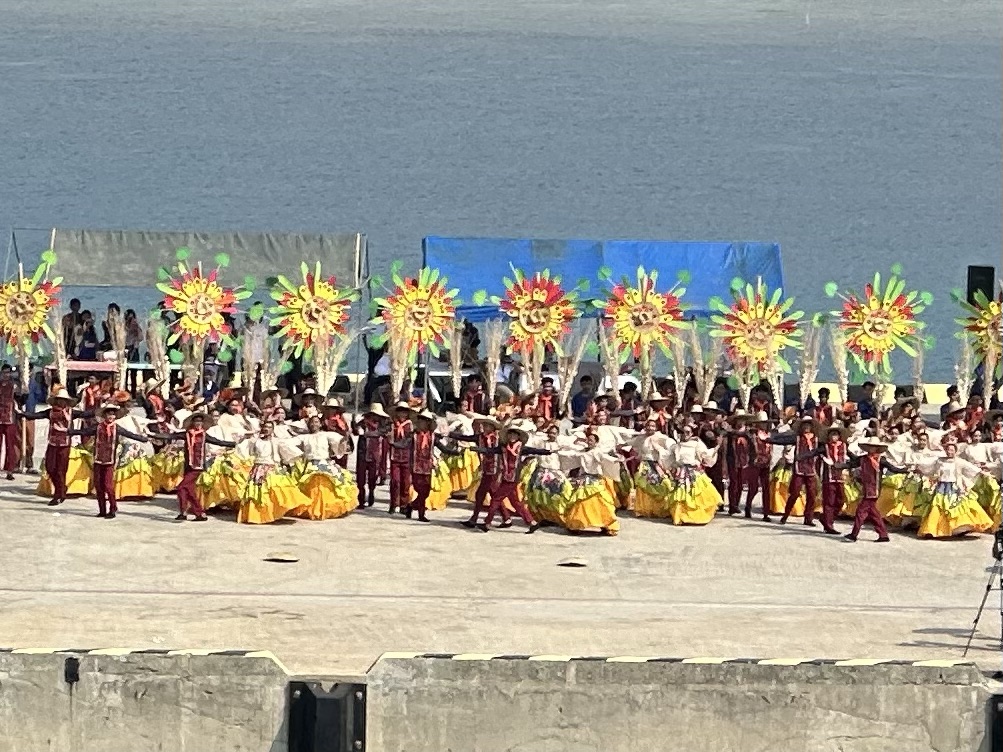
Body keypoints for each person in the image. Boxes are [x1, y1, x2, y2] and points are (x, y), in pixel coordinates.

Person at [67, 403, 151, 519]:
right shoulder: (98, 427)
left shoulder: (117, 428)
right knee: (98, 486)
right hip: (98, 460)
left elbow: (129, 434)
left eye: (113, 414)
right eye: (109, 414)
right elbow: (85, 432)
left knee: (108, 486)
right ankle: (102, 510)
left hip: (109, 461)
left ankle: (112, 508)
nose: (111, 416)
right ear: (105, 415)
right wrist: (71, 432)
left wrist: (143, 439)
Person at [150, 411, 236, 521]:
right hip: (188, 466)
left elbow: (218, 442)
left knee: (181, 487)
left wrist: (234, 444)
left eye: (200, 421)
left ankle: (191, 512)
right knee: (188, 490)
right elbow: (170, 436)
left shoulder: (204, 435)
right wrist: (152, 435)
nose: (198, 423)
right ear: (192, 423)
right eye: (196, 421)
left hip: (198, 466)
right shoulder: (186, 434)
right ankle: (194, 513)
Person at [21, 387, 93, 505]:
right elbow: (36, 415)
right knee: (50, 468)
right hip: (52, 443)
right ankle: (62, 488)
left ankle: (58, 495)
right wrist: (22, 414)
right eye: (59, 399)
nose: (61, 402)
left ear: (67, 402)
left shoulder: (71, 412)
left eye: (63, 400)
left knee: (60, 470)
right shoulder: (50, 412)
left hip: (65, 444)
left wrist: (101, 411)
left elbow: (85, 414)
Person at [472, 426, 549, 533]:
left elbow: (535, 450)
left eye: (514, 435)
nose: (512, 436)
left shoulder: (521, 448)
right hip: (505, 477)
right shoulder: (503, 447)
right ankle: (532, 522)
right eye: (510, 434)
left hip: (512, 479)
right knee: (515, 502)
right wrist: (477, 449)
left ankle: (487, 523)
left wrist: (547, 451)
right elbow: (491, 450)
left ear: (518, 437)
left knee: (496, 499)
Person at [236, 419, 309, 524]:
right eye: (265, 427)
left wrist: (297, 456)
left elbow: (288, 450)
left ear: (273, 430)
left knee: (275, 490)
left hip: (272, 468)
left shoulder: (277, 441)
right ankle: (258, 514)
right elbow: (246, 450)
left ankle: (272, 512)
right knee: (258, 492)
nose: (267, 429)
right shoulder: (255, 441)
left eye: (269, 427)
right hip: (258, 469)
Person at [288, 415, 358, 520]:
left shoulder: (327, 435)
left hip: (325, 463)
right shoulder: (303, 437)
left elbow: (340, 441)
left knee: (327, 484)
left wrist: (345, 437)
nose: (314, 424)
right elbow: (288, 444)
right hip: (310, 465)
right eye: (311, 422)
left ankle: (326, 508)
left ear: (320, 424)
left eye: (316, 422)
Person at [837, 440, 907, 542]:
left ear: (877, 448)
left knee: (860, 512)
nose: (871, 449)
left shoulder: (881, 460)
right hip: (866, 489)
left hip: (874, 490)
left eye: (873, 447)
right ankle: (883, 535)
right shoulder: (863, 458)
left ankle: (854, 534)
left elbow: (893, 469)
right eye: (869, 446)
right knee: (874, 514)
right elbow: (852, 463)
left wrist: (905, 470)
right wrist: (840, 464)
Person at [451, 415, 506, 528]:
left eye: (487, 425)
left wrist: (501, 470)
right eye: (484, 425)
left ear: (492, 427)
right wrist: (451, 434)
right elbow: (467, 438)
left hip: (495, 470)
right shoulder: (480, 437)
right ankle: (506, 518)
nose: (484, 427)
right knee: (491, 494)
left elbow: (499, 452)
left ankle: (476, 519)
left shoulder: (498, 439)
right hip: (486, 469)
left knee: (483, 494)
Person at [768, 416, 821, 526]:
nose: (806, 427)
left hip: (811, 469)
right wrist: (770, 440)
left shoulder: (817, 439)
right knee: (794, 493)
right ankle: (785, 515)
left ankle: (808, 518)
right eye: (804, 425)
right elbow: (783, 441)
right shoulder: (797, 438)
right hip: (799, 469)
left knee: (812, 495)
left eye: (808, 425)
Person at [354, 403, 389, 508]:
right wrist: (354, 423)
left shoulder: (382, 425)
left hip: (374, 454)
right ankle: (361, 499)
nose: (375, 417)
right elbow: (356, 431)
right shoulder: (363, 422)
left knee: (372, 477)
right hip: (363, 452)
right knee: (360, 477)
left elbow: (383, 432)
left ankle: (371, 493)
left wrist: (368, 434)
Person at [723, 410, 754, 516]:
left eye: (742, 419)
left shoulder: (748, 433)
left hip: (744, 459)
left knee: (741, 483)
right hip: (733, 459)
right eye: (739, 419)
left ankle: (736, 503)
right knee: (733, 482)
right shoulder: (730, 433)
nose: (741, 422)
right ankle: (732, 505)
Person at [387, 402, 414, 514]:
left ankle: (404, 505)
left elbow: (409, 441)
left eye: (404, 412)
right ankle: (393, 504)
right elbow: (389, 439)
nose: (402, 414)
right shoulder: (392, 425)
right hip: (395, 457)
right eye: (400, 411)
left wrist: (396, 444)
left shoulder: (410, 425)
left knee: (405, 482)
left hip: (407, 457)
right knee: (395, 481)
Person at [0, 364, 20, 479]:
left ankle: (10, 470)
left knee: (10, 445)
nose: (6, 375)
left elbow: (21, 398)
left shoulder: (15, 385)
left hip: (10, 418)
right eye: (4, 372)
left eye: (8, 373)